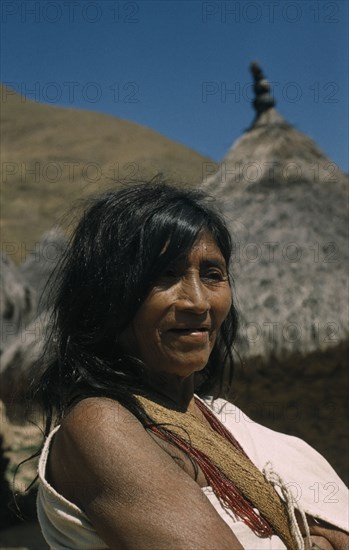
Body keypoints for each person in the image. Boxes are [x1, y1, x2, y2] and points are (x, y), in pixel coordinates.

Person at [34, 182, 348, 550]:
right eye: (165, 275)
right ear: (108, 295)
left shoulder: (221, 418)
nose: (198, 302)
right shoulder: (102, 424)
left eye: (212, 274)